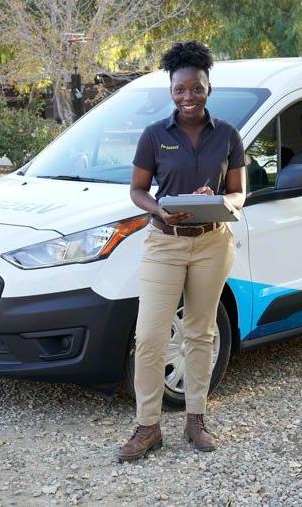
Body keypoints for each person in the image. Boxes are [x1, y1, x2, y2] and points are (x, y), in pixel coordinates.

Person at [119, 41, 246, 462]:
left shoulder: (227, 135)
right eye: (179, 90)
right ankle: (148, 426)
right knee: (150, 336)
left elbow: (240, 192)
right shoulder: (155, 135)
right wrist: (159, 208)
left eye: (196, 88)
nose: (188, 97)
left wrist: (224, 201)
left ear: (209, 86)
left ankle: (196, 419)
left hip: (212, 243)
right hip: (164, 243)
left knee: (200, 333)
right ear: (170, 90)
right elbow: (138, 190)